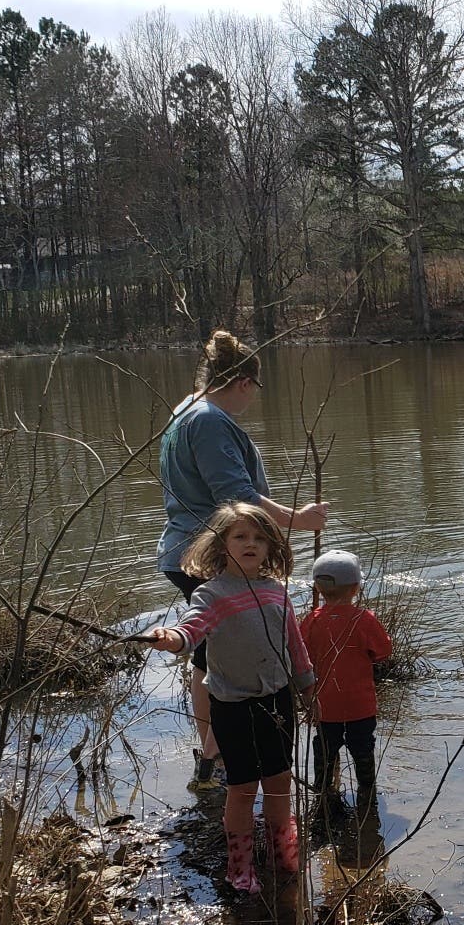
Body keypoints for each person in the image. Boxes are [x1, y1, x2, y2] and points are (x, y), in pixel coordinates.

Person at [156, 329, 328, 788]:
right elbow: (234, 496)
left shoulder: (185, 409)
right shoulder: (210, 420)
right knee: (227, 657)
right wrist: (298, 519)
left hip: (186, 549)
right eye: (255, 389)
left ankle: (213, 757)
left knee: (209, 657)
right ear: (245, 383)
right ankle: (218, 758)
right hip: (213, 555)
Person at [146, 502, 315, 894]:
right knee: (242, 788)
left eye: (259, 538)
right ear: (221, 545)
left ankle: (282, 852)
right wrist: (172, 639)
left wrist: (308, 689)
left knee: (280, 782)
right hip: (233, 707)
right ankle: (240, 865)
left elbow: (296, 646)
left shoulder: (277, 593)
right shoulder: (211, 594)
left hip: (277, 702)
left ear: (271, 547)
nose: (250, 543)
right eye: (240, 536)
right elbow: (192, 628)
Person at [302, 548, 393, 817]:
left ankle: (322, 789)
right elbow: (383, 651)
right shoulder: (364, 619)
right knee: (362, 746)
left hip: (324, 705)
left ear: (317, 588)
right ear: (356, 588)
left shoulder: (310, 621)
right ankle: (367, 789)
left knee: (325, 745)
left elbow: (299, 657)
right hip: (360, 704)